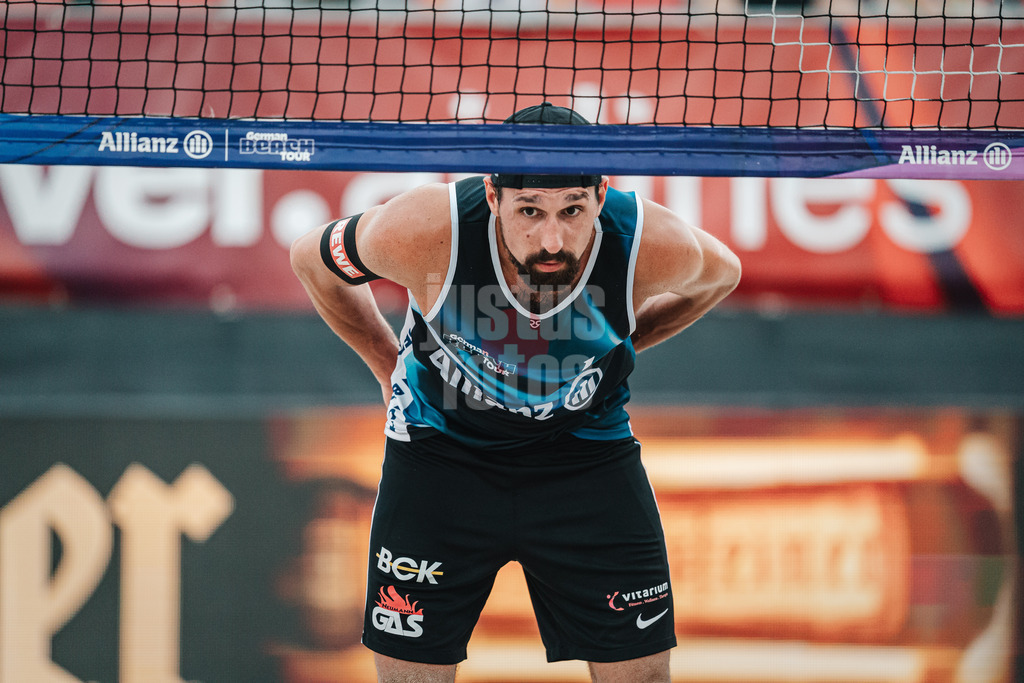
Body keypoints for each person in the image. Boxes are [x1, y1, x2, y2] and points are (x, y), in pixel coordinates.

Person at [290, 102, 741, 683]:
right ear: (494, 196)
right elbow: (312, 259)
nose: (551, 238)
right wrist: (385, 363)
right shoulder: (428, 231)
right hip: (440, 453)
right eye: (530, 210)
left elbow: (724, 273)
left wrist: (625, 342)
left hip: (583, 456)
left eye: (572, 211)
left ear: (601, 197)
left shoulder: (648, 244)